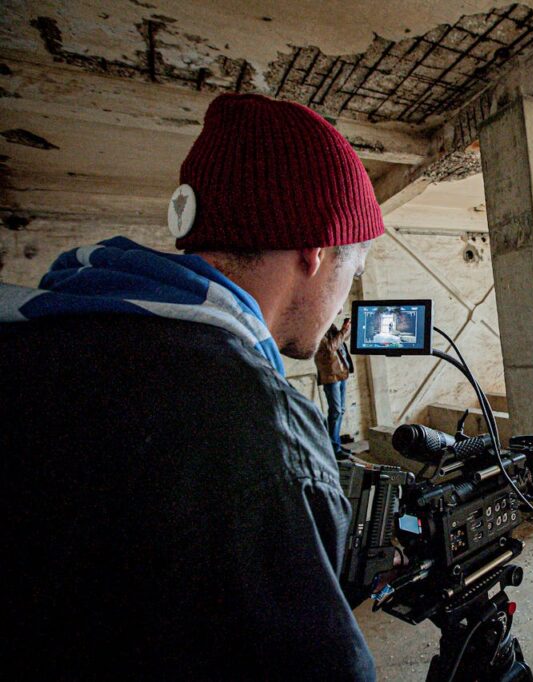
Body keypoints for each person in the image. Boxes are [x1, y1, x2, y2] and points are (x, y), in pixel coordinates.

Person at [0, 94, 384, 679]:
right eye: (350, 273)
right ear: (316, 251)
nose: (339, 307)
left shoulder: (41, 331)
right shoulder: (260, 426)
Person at [316, 318, 355, 454]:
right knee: (335, 411)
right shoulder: (317, 327)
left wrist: (348, 329)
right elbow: (329, 348)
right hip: (330, 375)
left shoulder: (329, 324)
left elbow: (341, 341)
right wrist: (344, 330)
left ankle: (336, 444)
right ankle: (333, 448)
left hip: (341, 372)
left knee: (340, 411)